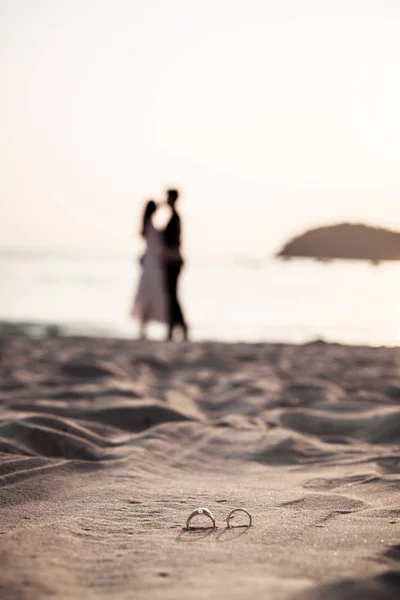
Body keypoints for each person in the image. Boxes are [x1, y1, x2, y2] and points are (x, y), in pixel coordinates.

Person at [131, 200, 168, 339]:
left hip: (150, 261)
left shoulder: (146, 223)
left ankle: (143, 327)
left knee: (148, 293)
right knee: (149, 293)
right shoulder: (150, 224)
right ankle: (143, 326)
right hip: (152, 263)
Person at [163, 188, 188, 341]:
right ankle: (174, 325)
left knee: (172, 294)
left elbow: (175, 241)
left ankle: (179, 325)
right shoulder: (173, 217)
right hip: (172, 260)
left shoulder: (175, 217)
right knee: (171, 294)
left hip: (173, 260)